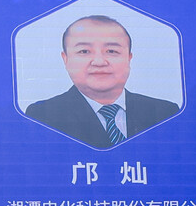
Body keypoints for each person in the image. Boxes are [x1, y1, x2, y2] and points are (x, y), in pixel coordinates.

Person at [23, 15, 180, 147]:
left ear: (129, 58)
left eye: (111, 51)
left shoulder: (165, 113)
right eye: (84, 51)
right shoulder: (42, 116)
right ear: (66, 59)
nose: (99, 61)